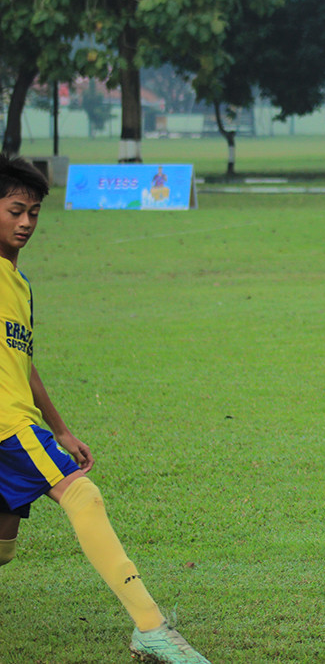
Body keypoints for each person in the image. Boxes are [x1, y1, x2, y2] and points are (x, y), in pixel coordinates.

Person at [0, 155, 210, 664]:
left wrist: (61, 429)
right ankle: (151, 628)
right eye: (15, 211)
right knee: (83, 495)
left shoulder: (19, 284)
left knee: (3, 544)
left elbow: (23, 362)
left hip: (20, 419)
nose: (26, 223)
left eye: (34, 213)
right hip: (8, 425)